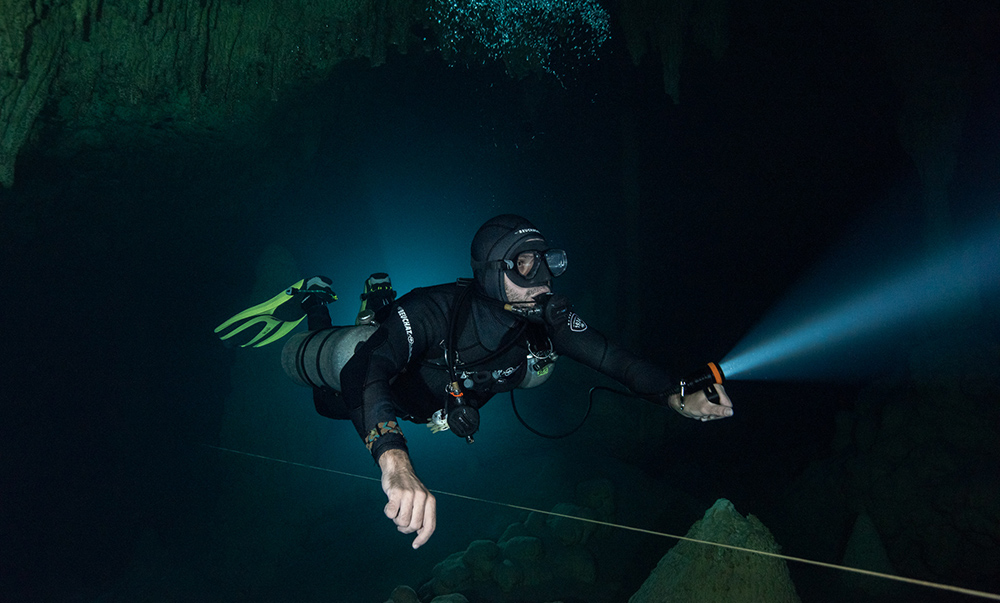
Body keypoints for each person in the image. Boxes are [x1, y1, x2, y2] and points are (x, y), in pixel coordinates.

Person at [217, 214, 734, 549]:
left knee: (373, 350)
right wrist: (393, 460)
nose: (544, 281)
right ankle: (317, 302)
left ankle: (376, 301)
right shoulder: (435, 310)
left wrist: (674, 393)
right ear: (491, 271)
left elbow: (608, 355)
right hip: (390, 386)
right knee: (328, 401)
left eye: (545, 263)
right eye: (525, 264)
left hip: (433, 403)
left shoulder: (543, 324)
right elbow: (365, 372)